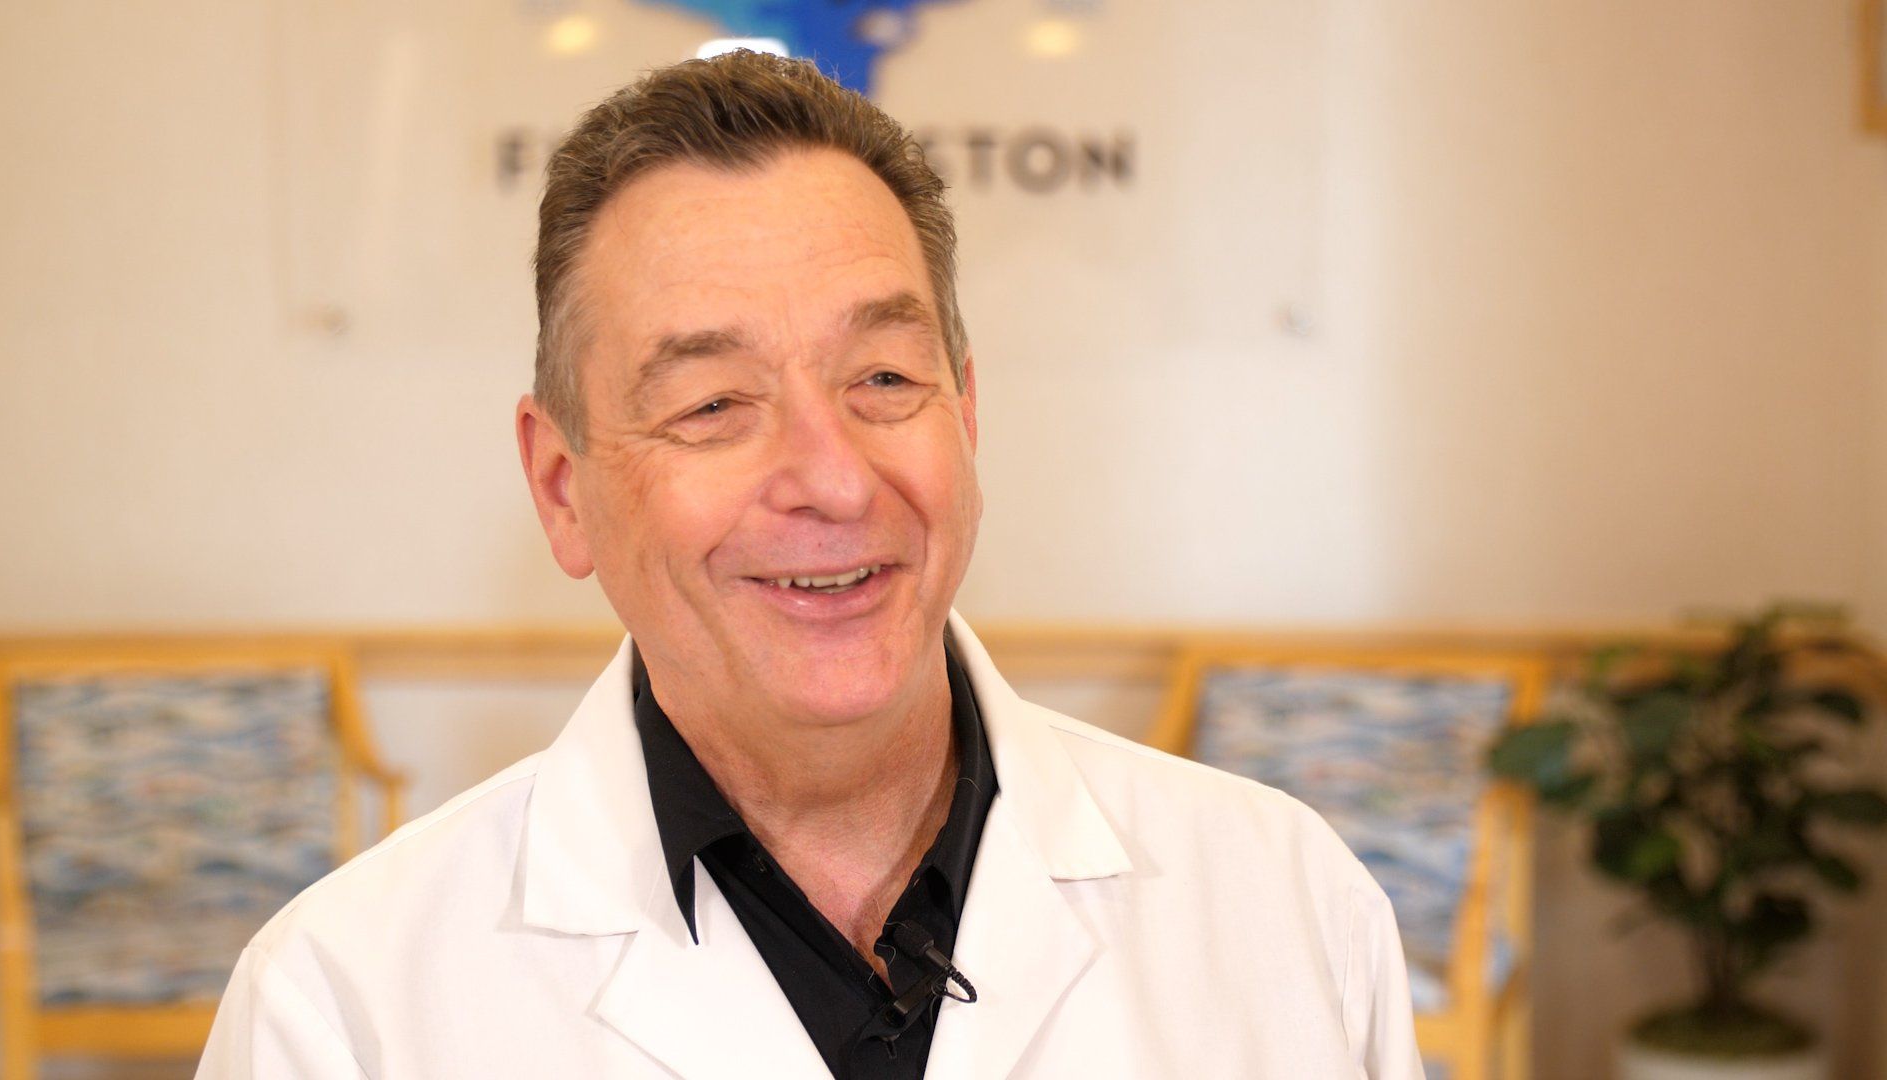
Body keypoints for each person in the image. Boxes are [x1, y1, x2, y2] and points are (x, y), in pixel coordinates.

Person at [197, 51, 1423, 1079]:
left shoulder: (1283, 905)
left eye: (885, 379)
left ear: (967, 419)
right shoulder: (347, 1005)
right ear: (563, 488)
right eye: (714, 403)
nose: (834, 479)